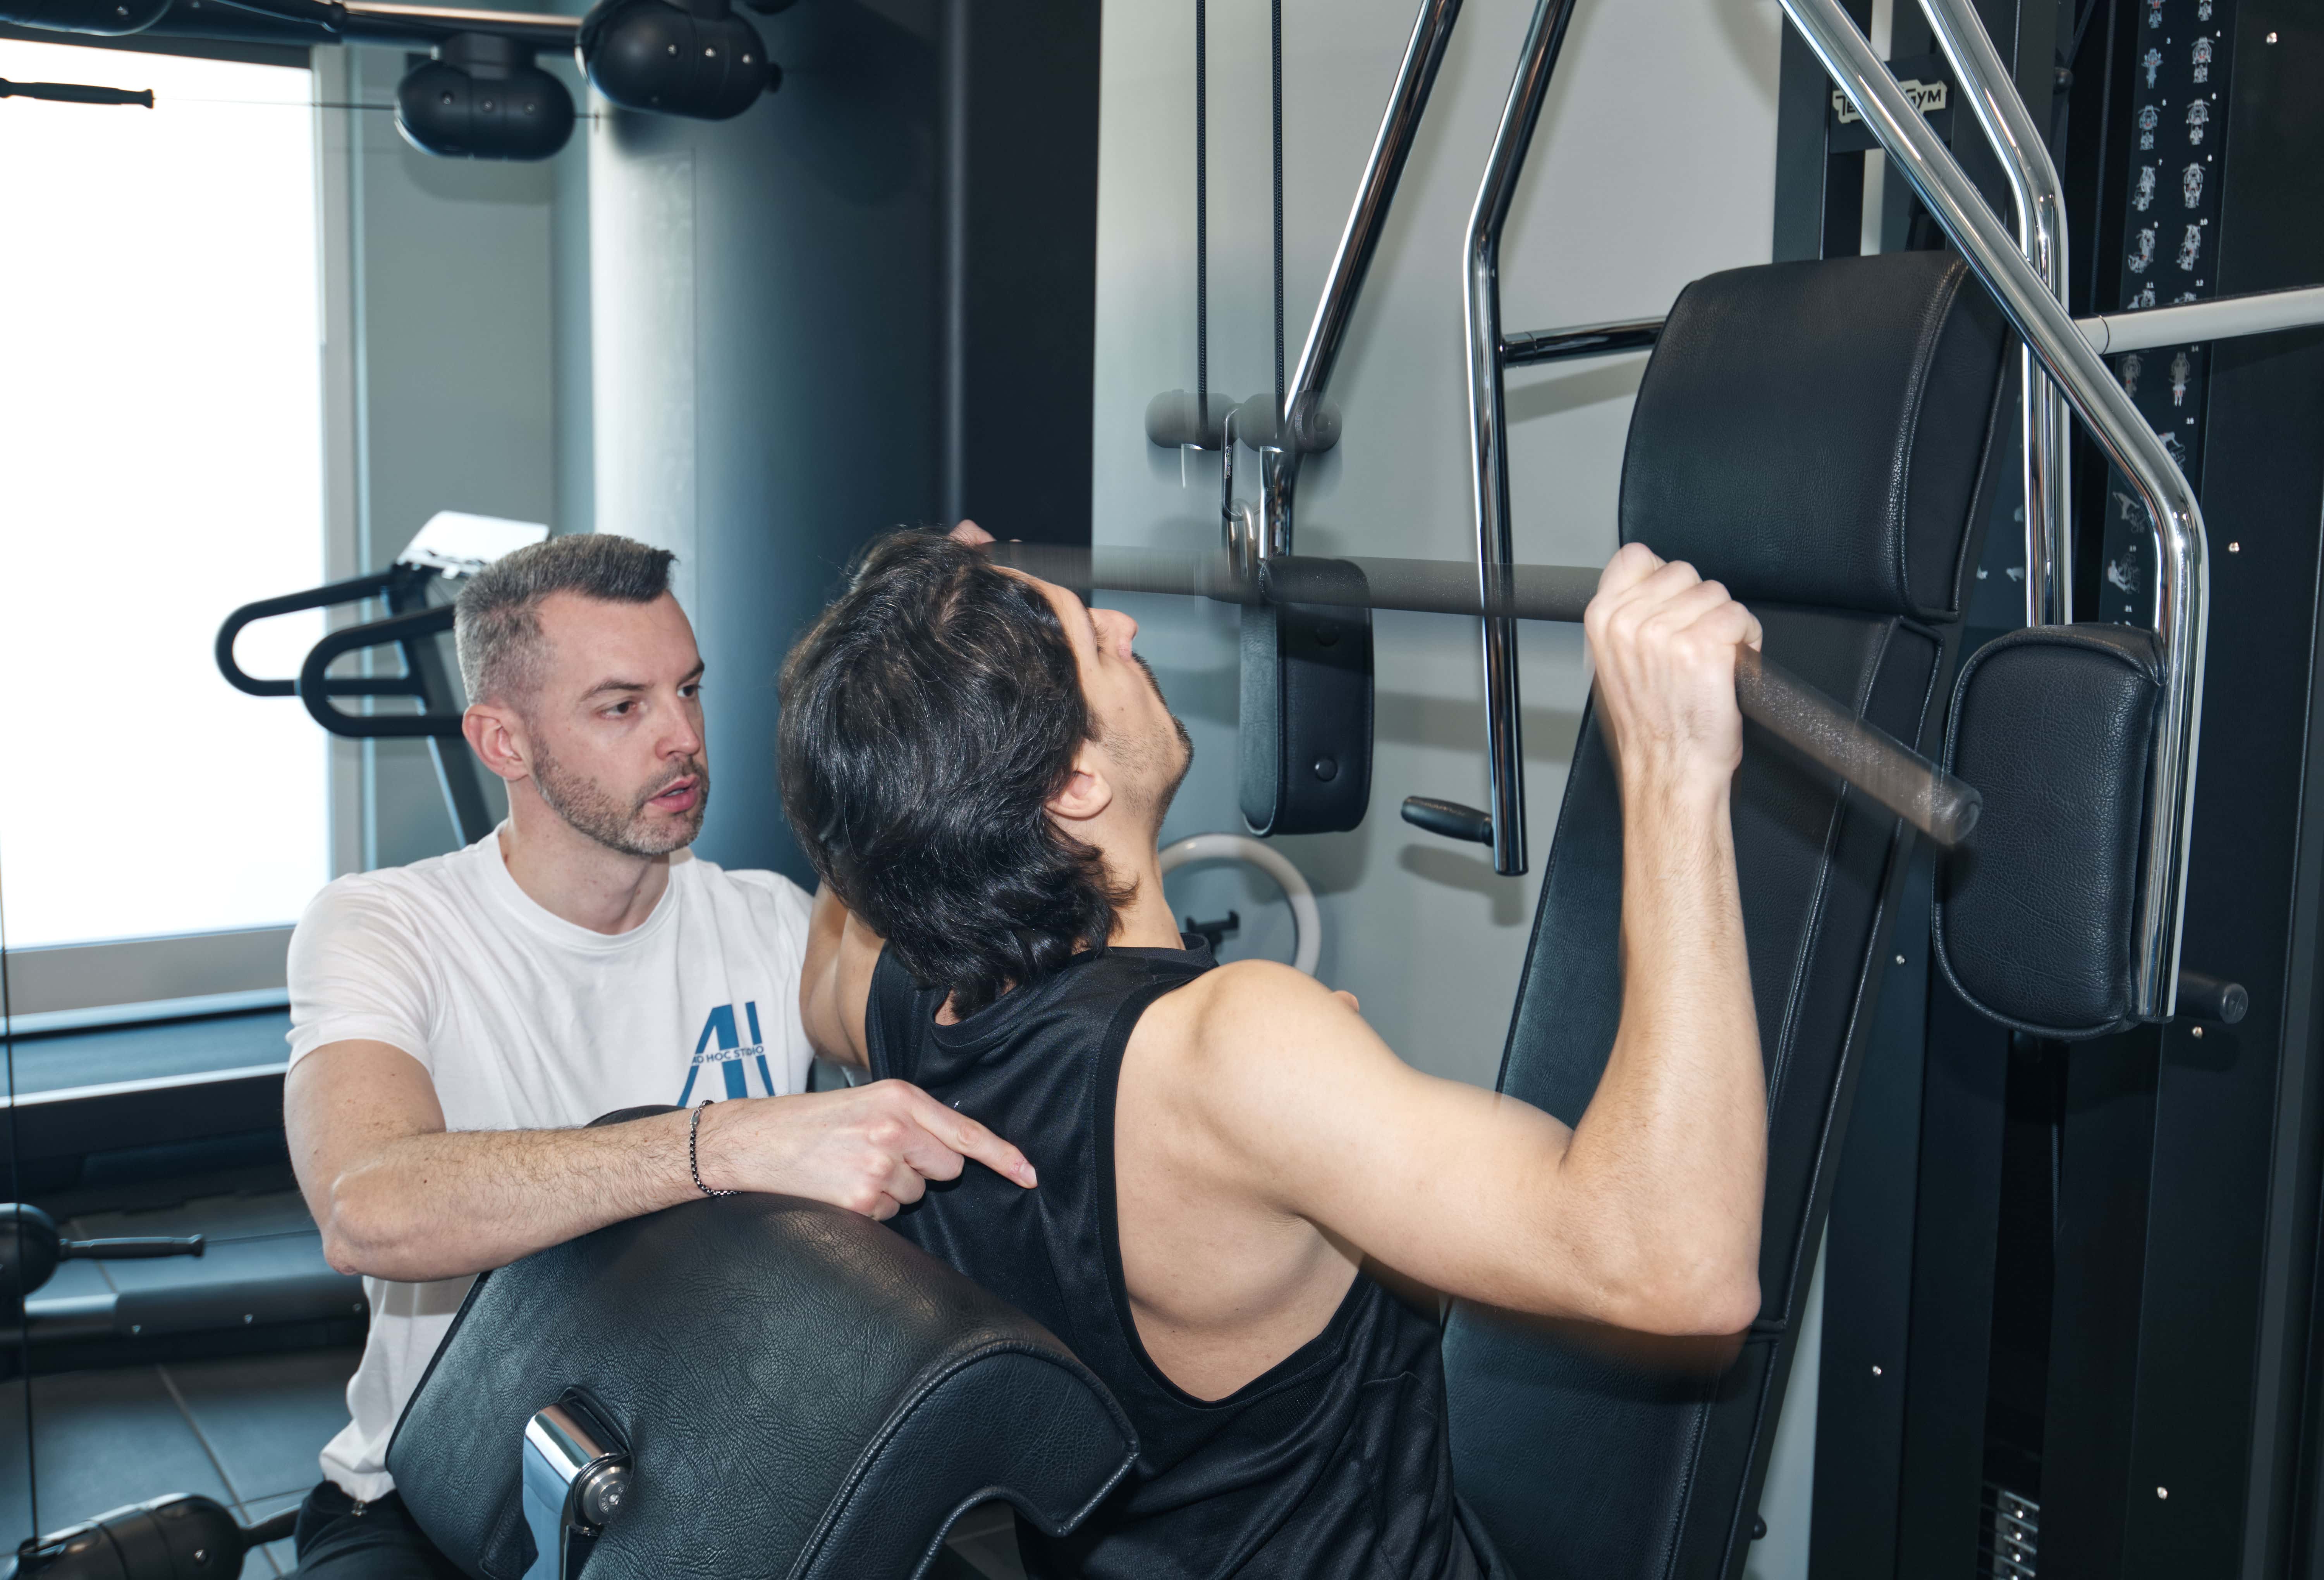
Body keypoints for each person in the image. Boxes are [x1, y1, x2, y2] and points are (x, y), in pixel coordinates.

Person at [782, 528, 1768, 1580]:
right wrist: (1672, 769)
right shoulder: (1222, 1054)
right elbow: (1679, 1267)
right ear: (1073, 785)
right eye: (1092, 642)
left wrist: (900, 652)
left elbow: (833, 944)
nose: (1123, 626)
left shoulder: (893, 1004)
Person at [280, 532, 1032, 1578]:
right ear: (503, 741)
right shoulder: (385, 928)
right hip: (438, 1497)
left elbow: (984, 1047)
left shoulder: (767, 926)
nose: (682, 736)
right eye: (622, 706)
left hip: (718, 1493)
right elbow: (367, 1205)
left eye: (690, 689)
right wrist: (716, 1147)